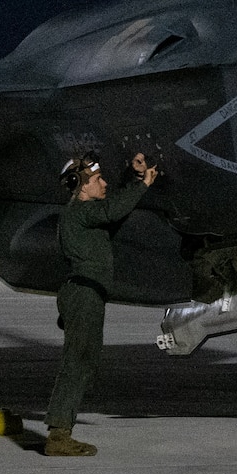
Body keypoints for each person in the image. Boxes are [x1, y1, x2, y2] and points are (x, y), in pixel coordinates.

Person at [43, 150, 159, 456]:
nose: (103, 183)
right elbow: (112, 210)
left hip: (87, 294)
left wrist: (134, 177)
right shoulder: (80, 212)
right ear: (81, 186)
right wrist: (143, 184)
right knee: (77, 361)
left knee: (85, 361)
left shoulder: (85, 215)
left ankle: (61, 429)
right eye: (97, 179)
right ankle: (58, 434)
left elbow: (111, 208)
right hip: (83, 295)